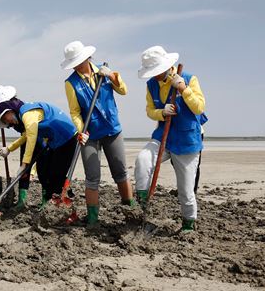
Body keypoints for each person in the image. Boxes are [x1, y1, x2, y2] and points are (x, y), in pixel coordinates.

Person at [134, 46, 207, 233]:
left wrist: (183, 89)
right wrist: (161, 112)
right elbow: (150, 110)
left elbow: (199, 108)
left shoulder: (190, 79)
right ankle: (142, 202)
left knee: (185, 190)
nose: (155, 76)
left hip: (186, 138)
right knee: (143, 159)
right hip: (163, 136)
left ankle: (188, 225)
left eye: (157, 72)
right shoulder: (151, 85)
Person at [61, 40, 134, 226]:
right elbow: (75, 112)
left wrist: (110, 75)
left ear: (87, 57)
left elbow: (123, 90)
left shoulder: (105, 71)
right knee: (92, 176)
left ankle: (130, 208)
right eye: (74, 62)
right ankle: (93, 219)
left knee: (120, 171)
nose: (77, 65)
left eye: (79, 60)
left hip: (112, 129)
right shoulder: (71, 83)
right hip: (90, 133)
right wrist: (80, 130)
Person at [0, 90, 78, 210]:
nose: (7, 123)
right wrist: (9, 148)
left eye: (5, 119)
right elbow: (27, 135)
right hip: (56, 141)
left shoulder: (26, 113)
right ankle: (52, 205)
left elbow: (32, 137)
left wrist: (24, 164)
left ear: (10, 110)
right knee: (47, 173)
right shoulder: (23, 115)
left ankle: (67, 205)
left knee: (56, 174)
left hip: (67, 137)